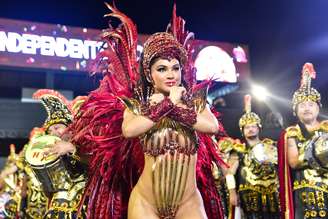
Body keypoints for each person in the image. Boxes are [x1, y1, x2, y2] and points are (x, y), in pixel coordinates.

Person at [69, 3, 226, 219]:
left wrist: (177, 106)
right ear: (150, 75)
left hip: (188, 203)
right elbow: (130, 130)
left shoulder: (197, 103)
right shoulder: (137, 105)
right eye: (162, 69)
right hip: (146, 204)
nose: (171, 74)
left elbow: (211, 127)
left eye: (175, 68)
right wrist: (167, 104)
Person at [278, 63, 328, 219]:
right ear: (295, 110)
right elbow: (293, 162)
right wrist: (319, 151)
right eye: (302, 106)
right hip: (306, 190)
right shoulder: (291, 133)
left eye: (311, 105)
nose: (307, 108)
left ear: (318, 108)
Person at [217, 95, 280, 219]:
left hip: (272, 193)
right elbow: (230, 173)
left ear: (259, 128)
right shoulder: (238, 149)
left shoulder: (270, 146)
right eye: (247, 127)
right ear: (242, 130)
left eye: (253, 126)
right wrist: (232, 192)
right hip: (249, 194)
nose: (250, 129)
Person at [29, 89, 87, 218]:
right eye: (49, 131)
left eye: (57, 128)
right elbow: (49, 191)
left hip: (81, 208)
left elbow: (98, 167)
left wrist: (72, 149)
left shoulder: (86, 144)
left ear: (71, 129)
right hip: (55, 210)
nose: (53, 133)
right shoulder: (52, 153)